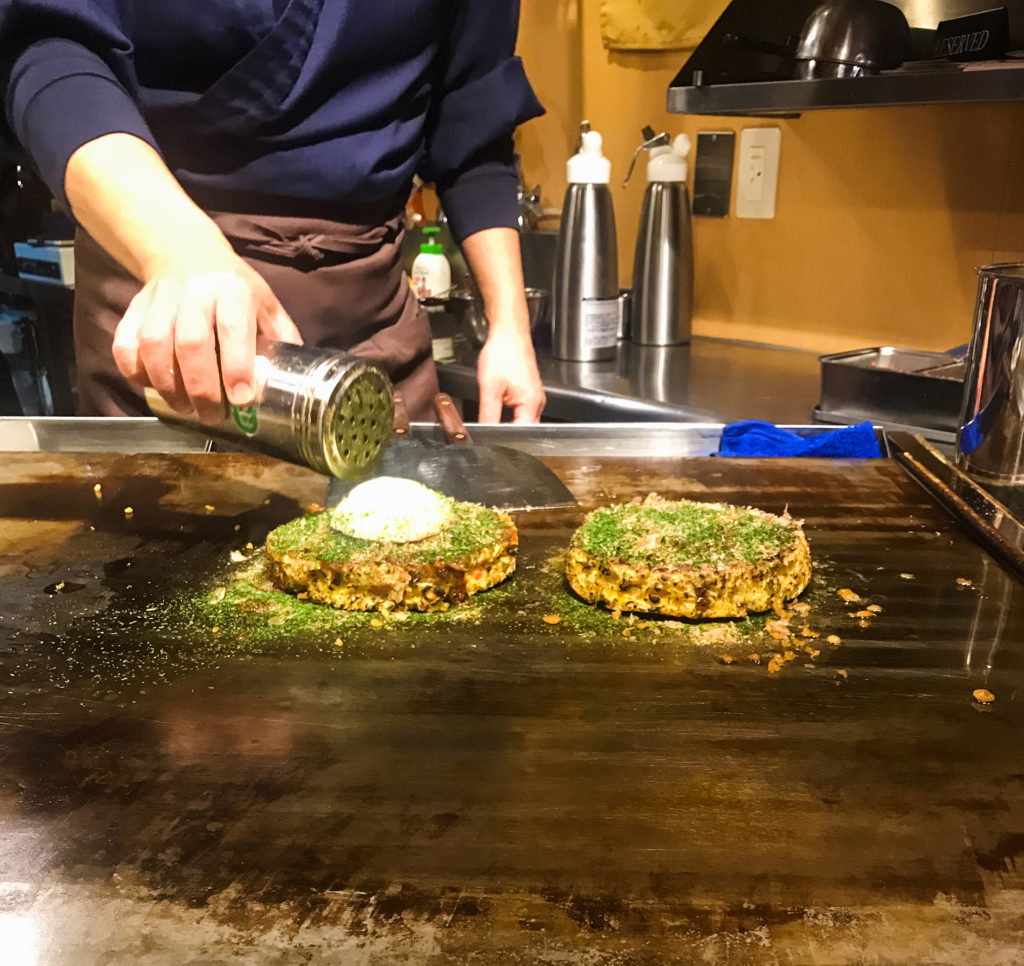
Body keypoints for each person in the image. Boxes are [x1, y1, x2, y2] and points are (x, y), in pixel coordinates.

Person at [0, 0, 547, 423]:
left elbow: (473, 120)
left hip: (371, 321)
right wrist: (182, 252)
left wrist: (510, 331)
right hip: (167, 311)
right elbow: (49, 47)